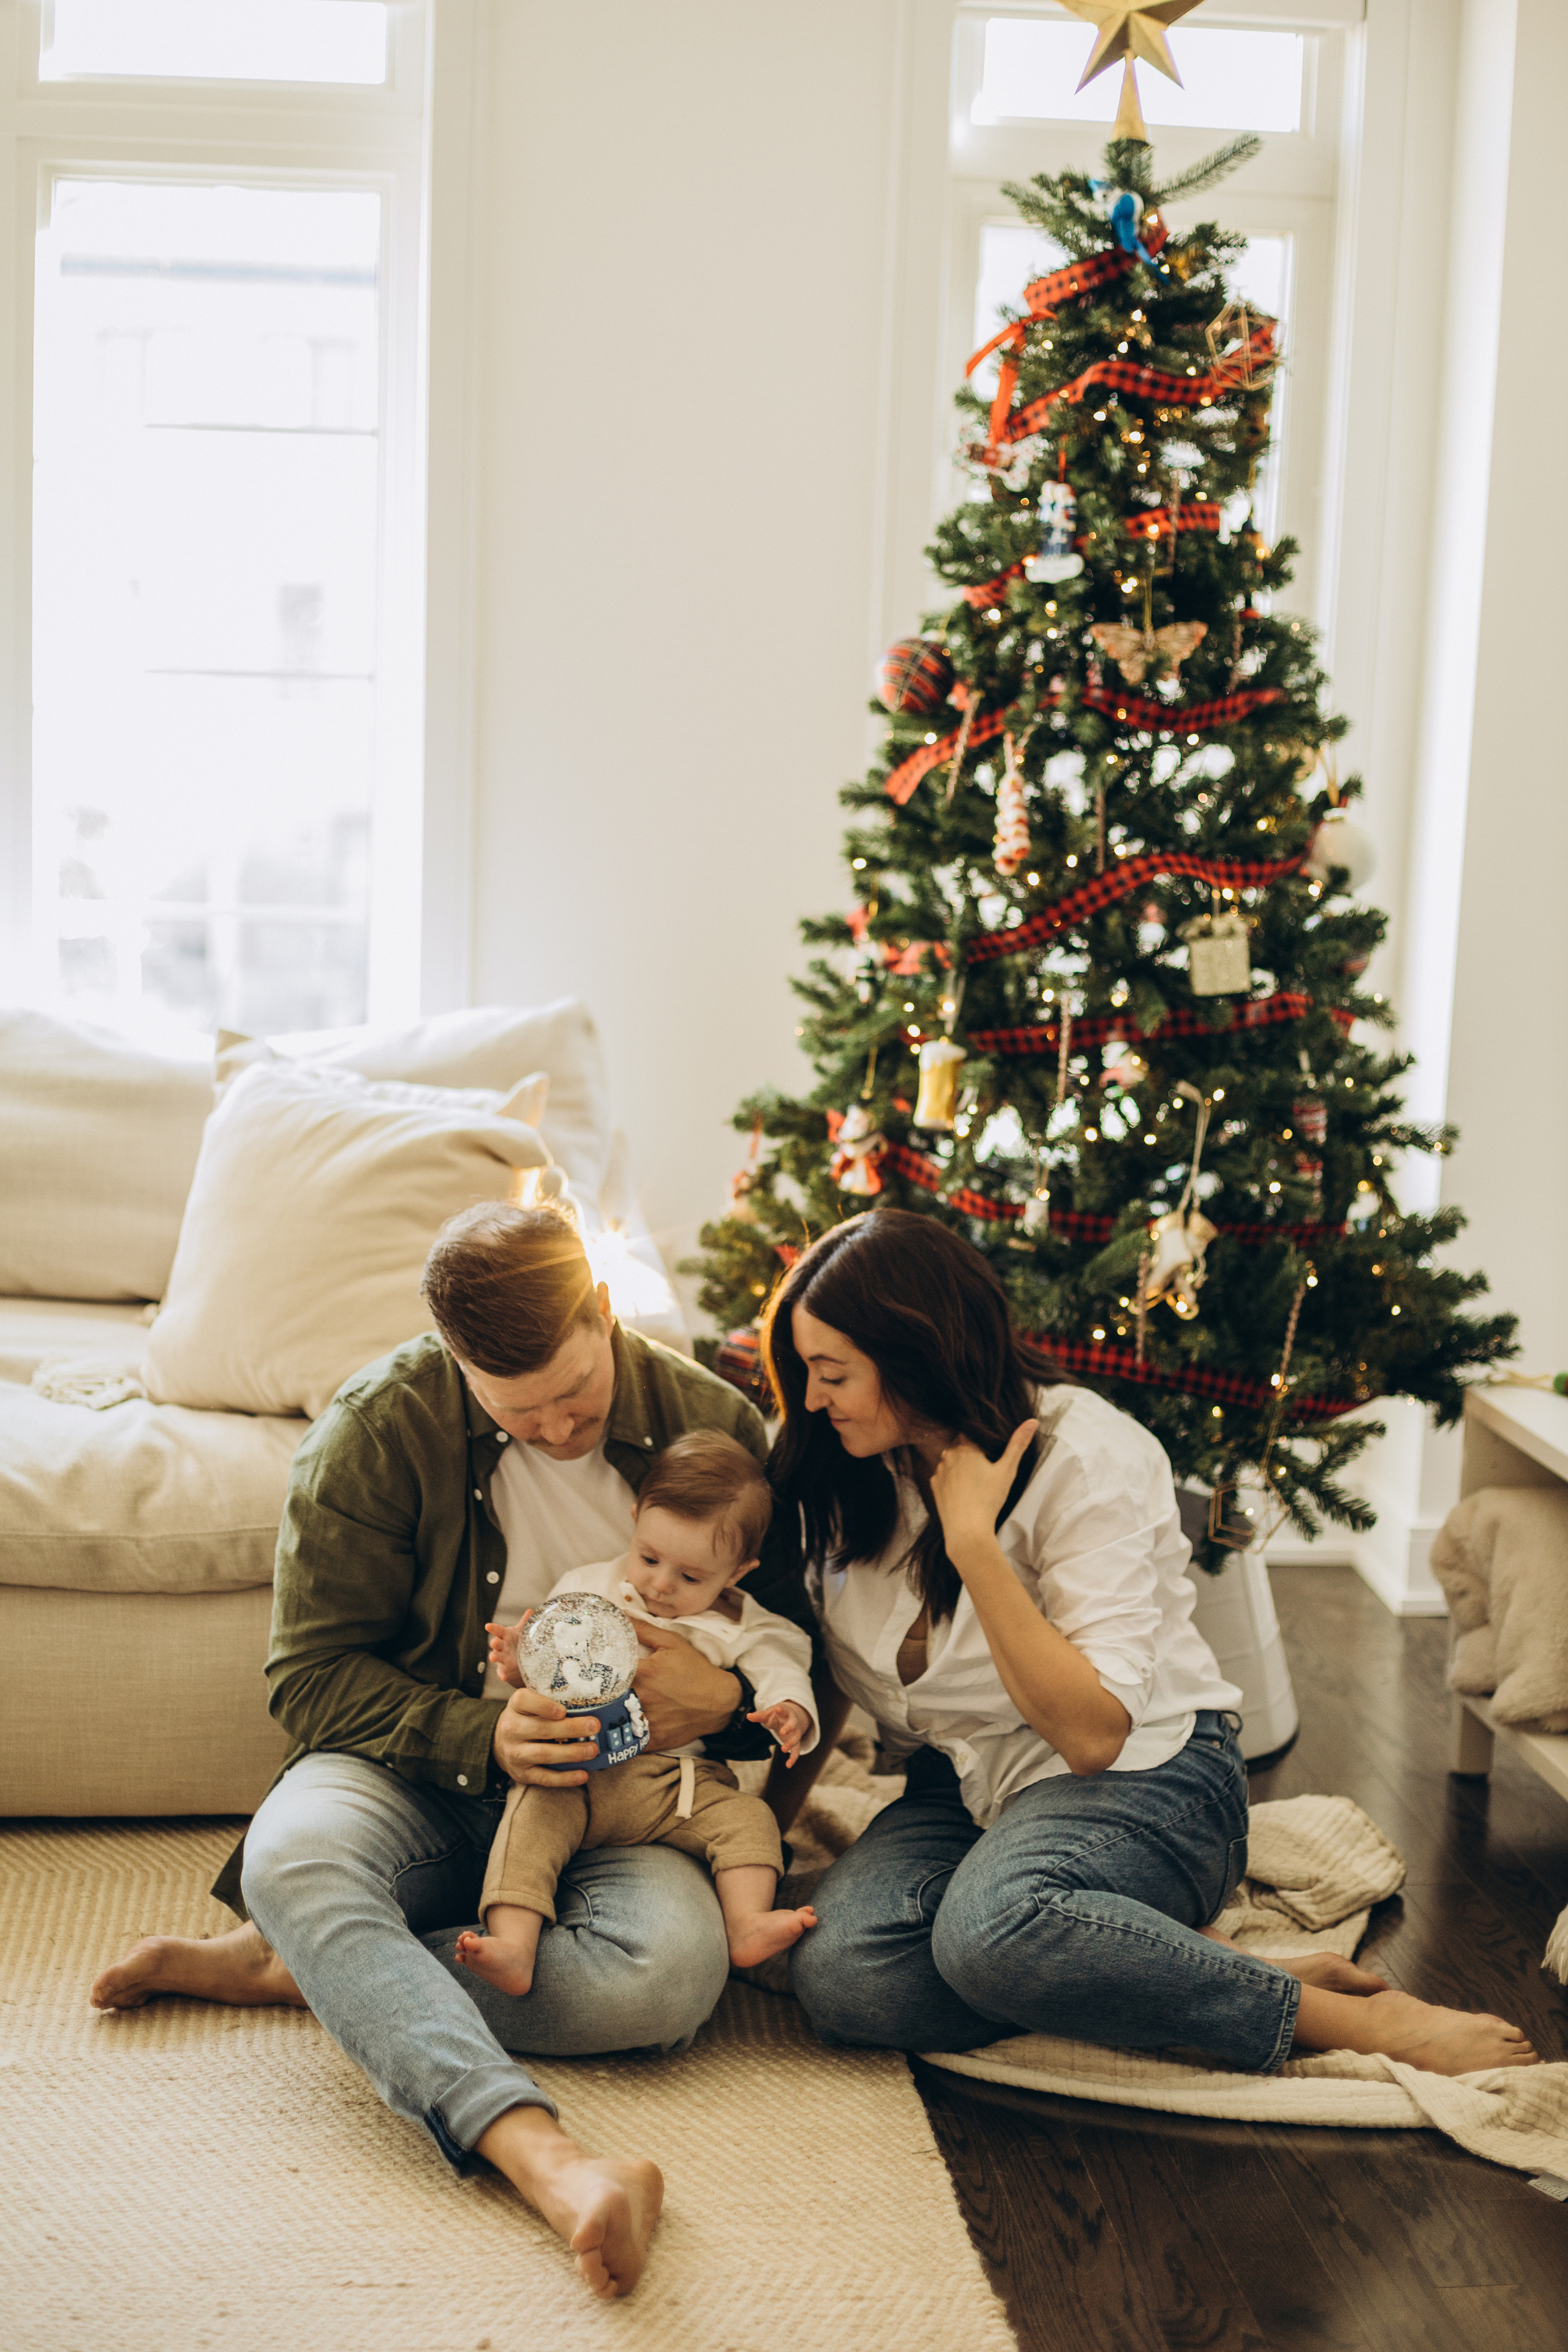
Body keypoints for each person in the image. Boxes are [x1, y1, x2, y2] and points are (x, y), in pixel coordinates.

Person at [90, 1202, 816, 2299]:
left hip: (626, 1798)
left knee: (668, 1980)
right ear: (456, 1364)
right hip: (422, 1770)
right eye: (518, 1411)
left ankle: (318, 1966)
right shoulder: (378, 1430)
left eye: (578, 1393)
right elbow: (309, 1676)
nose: (561, 1429)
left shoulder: (711, 1426)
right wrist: (484, 1732)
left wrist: (716, 1698)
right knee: (296, 1857)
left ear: (606, 1313)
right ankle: (552, 2164)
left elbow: (792, 1658)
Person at [771, 1208, 1541, 2082]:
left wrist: (975, 1546)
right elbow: (829, 1675)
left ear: (916, 1355)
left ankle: (1338, 2020)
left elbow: (1095, 1734)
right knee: (842, 1977)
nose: (809, 1398)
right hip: (969, 1784)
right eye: (805, 1370)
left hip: (1149, 1778)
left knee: (989, 1933)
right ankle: (1179, 1965)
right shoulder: (846, 1464)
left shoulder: (1086, 1457)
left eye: (832, 1373)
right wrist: (763, 1842)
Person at [462, 1428, 819, 1998]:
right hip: (580, 1769)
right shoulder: (590, 1588)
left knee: (752, 1821)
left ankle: (746, 1922)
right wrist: (519, 1661)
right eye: (649, 1556)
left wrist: (789, 1711)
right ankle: (512, 1943)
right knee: (528, 1818)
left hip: (679, 1785)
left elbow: (786, 1668)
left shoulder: (748, 1626)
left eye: (691, 1577)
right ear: (634, 1520)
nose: (659, 1584)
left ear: (739, 1572)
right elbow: (553, 1657)